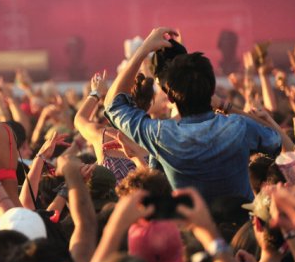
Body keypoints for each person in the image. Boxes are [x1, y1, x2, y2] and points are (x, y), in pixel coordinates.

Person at [104, 26, 282, 203]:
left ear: (170, 98)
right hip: (242, 226)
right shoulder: (239, 127)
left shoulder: (160, 134)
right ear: (212, 89)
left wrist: (144, 49)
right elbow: (276, 139)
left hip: (191, 227)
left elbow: (113, 104)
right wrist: (226, 106)